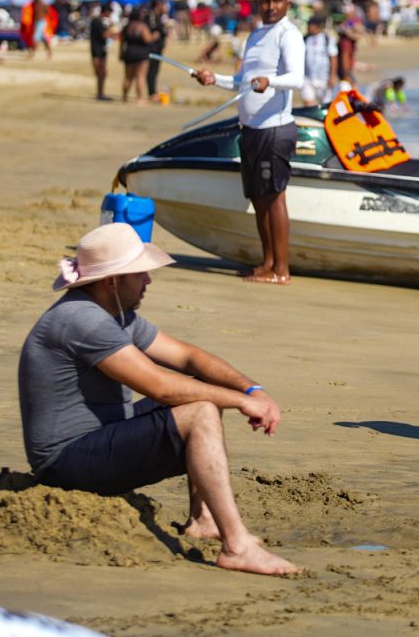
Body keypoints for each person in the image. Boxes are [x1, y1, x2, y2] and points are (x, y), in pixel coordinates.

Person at [18, 223, 299, 576]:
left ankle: (204, 519)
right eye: (140, 274)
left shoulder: (116, 313)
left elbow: (188, 357)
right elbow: (160, 388)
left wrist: (251, 390)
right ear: (111, 282)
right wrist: (240, 403)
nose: (149, 280)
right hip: (65, 462)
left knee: (203, 392)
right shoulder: (82, 320)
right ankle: (237, 547)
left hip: (100, 438)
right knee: (199, 411)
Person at [194, 0, 306, 284]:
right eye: (265, 1)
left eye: (276, 1)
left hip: (275, 130)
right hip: (252, 129)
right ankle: (267, 262)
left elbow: (296, 79)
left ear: (287, 3)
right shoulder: (256, 36)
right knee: (258, 198)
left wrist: (271, 81)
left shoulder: (289, 35)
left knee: (274, 198)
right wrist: (212, 78)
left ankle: (282, 270)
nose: (270, 7)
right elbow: (243, 81)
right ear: (257, 3)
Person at [119, 8, 157, 104]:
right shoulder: (142, 26)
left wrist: (120, 53)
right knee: (141, 76)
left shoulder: (127, 26)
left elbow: (122, 41)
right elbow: (147, 39)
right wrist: (154, 36)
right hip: (141, 53)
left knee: (128, 77)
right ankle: (139, 98)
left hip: (129, 52)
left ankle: (124, 97)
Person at [300, 16, 335, 106]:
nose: (308, 28)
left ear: (316, 26)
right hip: (308, 78)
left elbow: (333, 58)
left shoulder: (327, 39)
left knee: (326, 105)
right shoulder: (305, 39)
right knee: (308, 104)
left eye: (310, 26)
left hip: (324, 78)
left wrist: (332, 76)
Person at [144, 0, 170, 100]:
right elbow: (152, 29)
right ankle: (151, 92)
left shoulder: (160, 16)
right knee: (151, 70)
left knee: (155, 70)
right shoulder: (151, 16)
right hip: (152, 48)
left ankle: (153, 91)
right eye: (162, 4)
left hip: (158, 47)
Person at [88, 5, 113, 101]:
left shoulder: (96, 21)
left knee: (101, 74)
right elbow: (105, 35)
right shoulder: (99, 22)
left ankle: (100, 93)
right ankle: (100, 94)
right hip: (99, 51)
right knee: (101, 73)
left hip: (97, 50)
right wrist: (111, 27)